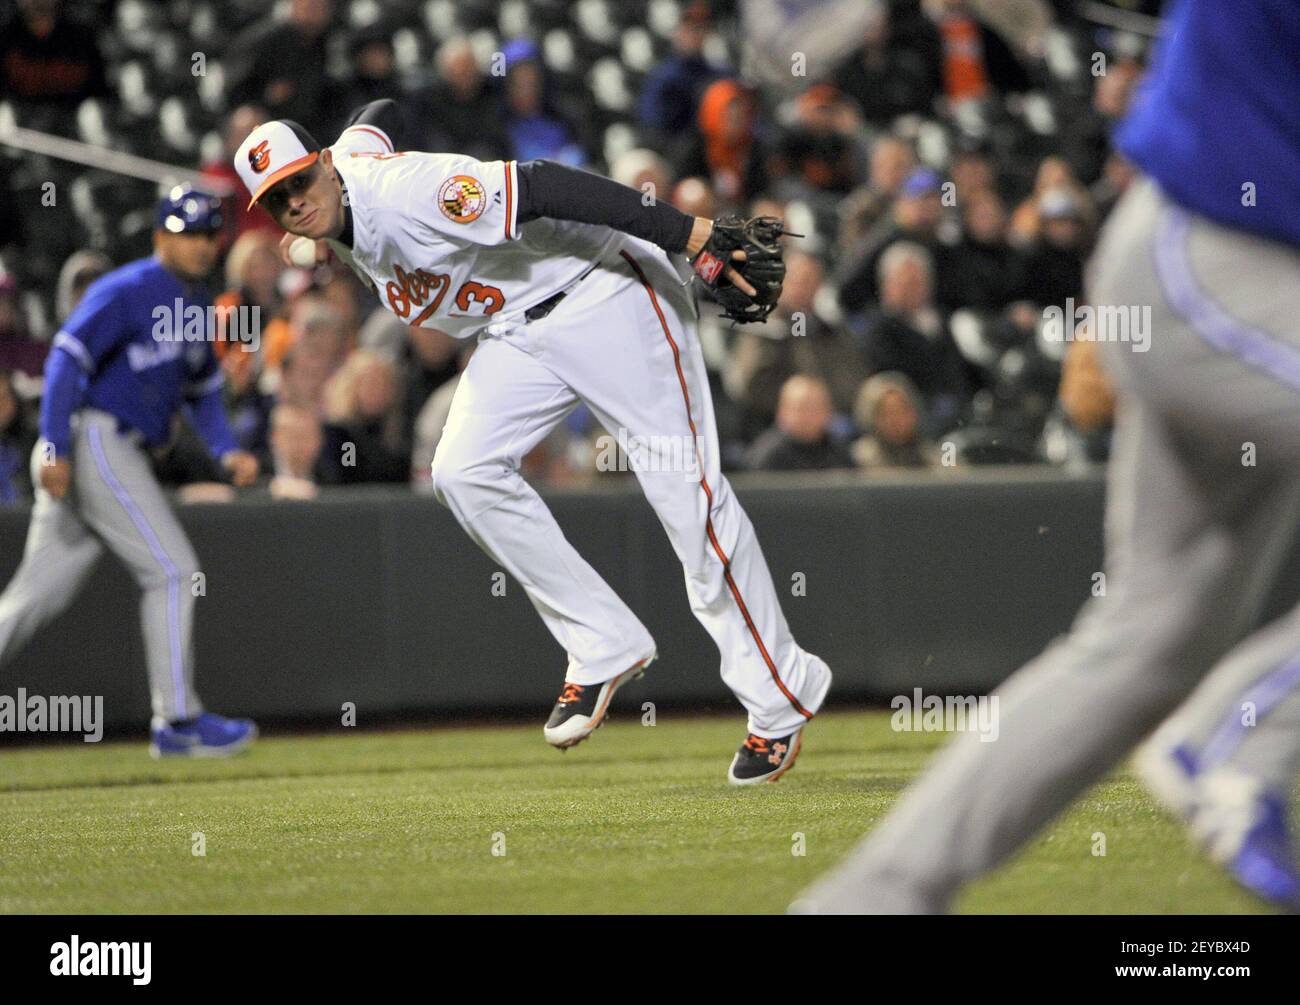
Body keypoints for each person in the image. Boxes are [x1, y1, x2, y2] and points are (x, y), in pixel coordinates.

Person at [795, 0, 1300, 913]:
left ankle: (865, 902)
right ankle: (1242, 735)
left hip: (1216, 261)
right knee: (1152, 644)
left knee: (1145, 644)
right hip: (1223, 256)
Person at [233, 98, 832, 783]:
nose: (293, 204)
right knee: (461, 469)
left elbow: (547, 183)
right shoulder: (345, 184)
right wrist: (330, 200)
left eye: (299, 184)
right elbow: (386, 109)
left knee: (687, 500)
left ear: (325, 167)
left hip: (606, 291)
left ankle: (779, 697)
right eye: (275, 200)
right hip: (520, 329)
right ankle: (603, 642)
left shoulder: (406, 194)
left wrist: (689, 234)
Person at [0, 187, 260, 758]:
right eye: (186, 233)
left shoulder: (195, 305)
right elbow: (66, 358)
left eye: (208, 234)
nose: (199, 245)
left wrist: (225, 450)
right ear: (159, 237)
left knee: (32, 598)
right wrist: (54, 447)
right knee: (172, 572)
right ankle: (178, 722)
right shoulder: (125, 290)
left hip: (117, 449)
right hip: (93, 438)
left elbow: (204, 392)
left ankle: (179, 721)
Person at [745, 375, 852, 473]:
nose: (809, 415)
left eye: (815, 407)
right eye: (802, 408)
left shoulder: (839, 451)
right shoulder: (767, 457)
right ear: (782, 411)